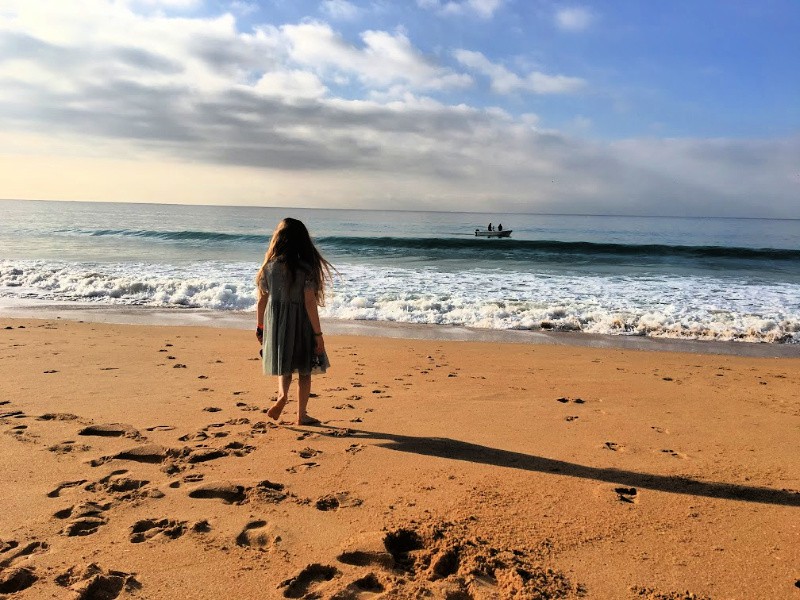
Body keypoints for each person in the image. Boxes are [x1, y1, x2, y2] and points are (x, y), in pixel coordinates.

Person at [255, 218, 333, 425]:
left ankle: (282, 396)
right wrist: (318, 335)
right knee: (305, 370)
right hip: (301, 324)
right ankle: (301, 415)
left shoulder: (268, 268)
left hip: (276, 324)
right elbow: (309, 302)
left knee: (285, 366)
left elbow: (262, 301)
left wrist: (260, 327)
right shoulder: (306, 269)